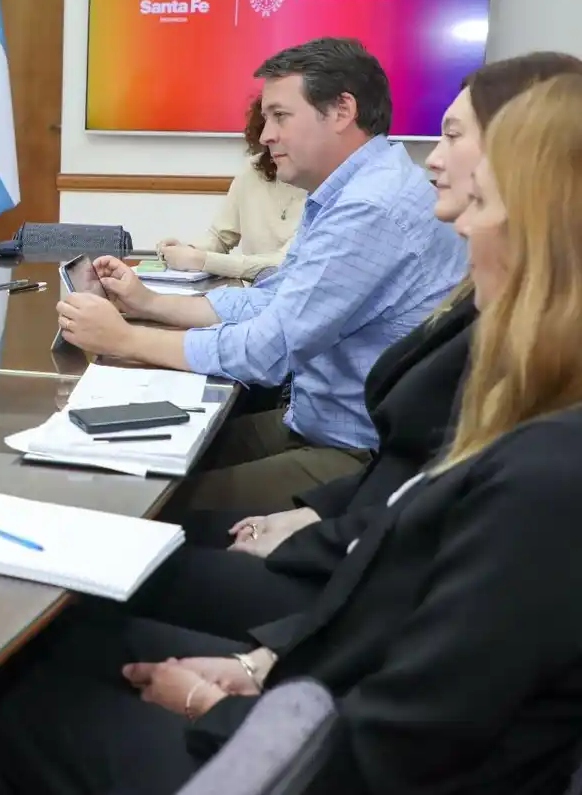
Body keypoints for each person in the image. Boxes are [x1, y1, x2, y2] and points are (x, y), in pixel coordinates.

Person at [0, 72, 582, 795]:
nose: (451, 223)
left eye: (479, 199)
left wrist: (228, 703)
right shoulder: (532, 425)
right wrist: (260, 664)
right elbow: (397, 593)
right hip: (312, 659)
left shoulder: (544, 476)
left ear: (542, 230)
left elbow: (401, 733)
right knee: (61, 633)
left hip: (298, 744)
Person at [127, 51, 582, 641]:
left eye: (450, 136)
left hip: (354, 519)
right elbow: (421, 473)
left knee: (142, 525)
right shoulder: (490, 292)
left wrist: (267, 654)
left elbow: (432, 521)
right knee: (145, 486)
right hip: (351, 497)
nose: (432, 160)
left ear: (523, 159)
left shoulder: (381, 209)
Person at [57, 38, 466, 499]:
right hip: (315, 421)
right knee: (122, 463)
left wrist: (126, 338)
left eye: (280, 116)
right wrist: (149, 302)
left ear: (341, 111)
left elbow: (268, 352)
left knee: (137, 497)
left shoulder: (370, 208)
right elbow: (272, 298)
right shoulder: (349, 191)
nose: (265, 133)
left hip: (356, 455)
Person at [156, 97, 305, 281]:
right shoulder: (253, 169)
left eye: (281, 119)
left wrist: (202, 260)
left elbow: (287, 262)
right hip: (252, 297)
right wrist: (187, 250)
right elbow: (220, 236)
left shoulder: (324, 182)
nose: (270, 137)